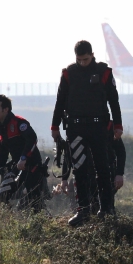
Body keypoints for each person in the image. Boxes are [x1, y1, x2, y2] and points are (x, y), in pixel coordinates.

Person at [51, 40, 123, 226]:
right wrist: (55, 127)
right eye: (79, 60)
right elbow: (60, 101)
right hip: (76, 128)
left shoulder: (104, 72)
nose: (83, 63)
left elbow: (113, 101)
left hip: (99, 127)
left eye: (86, 59)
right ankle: (83, 211)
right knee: (80, 170)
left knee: (103, 169)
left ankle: (106, 208)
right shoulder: (68, 74)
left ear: (92, 54)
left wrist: (118, 125)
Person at [0, 95, 46, 212]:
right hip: (17, 167)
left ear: (6, 110)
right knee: (2, 196)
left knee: (35, 202)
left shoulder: (19, 123)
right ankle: (10, 223)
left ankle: (42, 225)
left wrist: (24, 158)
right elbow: (2, 155)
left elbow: (32, 139)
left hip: (32, 166)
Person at [58, 122, 126, 213]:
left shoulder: (107, 126)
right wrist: (64, 178)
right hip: (85, 175)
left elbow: (121, 152)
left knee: (107, 206)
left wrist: (119, 174)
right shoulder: (74, 127)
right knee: (85, 207)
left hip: (106, 172)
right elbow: (68, 155)